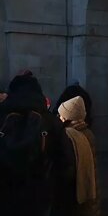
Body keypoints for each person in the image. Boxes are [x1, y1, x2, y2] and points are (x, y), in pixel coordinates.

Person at [0, 71, 69, 216]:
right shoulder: (51, 121)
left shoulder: (2, 118)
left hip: (5, 192)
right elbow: (65, 163)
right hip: (39, 193)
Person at [51, 96, 100, 216]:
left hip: (78, 197)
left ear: (67, 117)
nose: (58, 117)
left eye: (61, 115)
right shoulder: (86, 131)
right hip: (91, 195)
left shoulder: (71, 136)